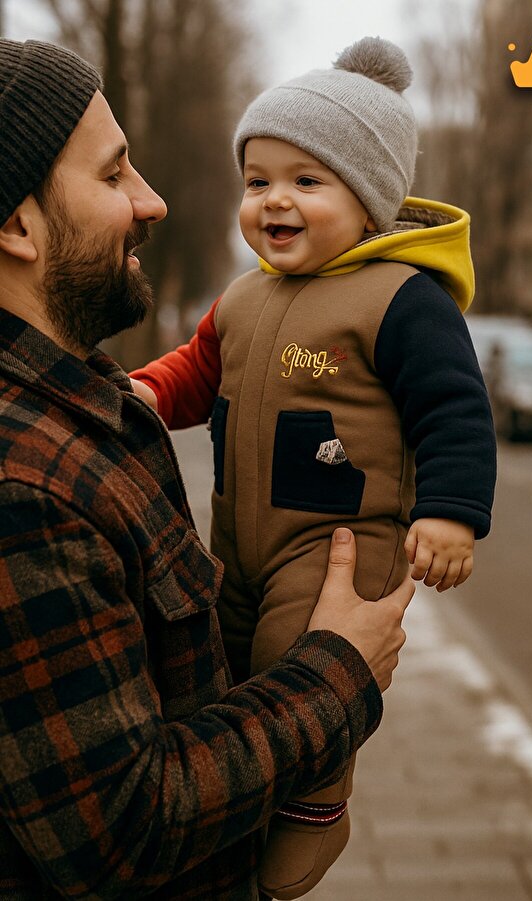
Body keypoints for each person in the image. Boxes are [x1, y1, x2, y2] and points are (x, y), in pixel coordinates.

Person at [0, 38, 415, 901]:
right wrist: (339, 670)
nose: (149, 200)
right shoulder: (24, 485)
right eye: (113, 176)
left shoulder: (81, 406)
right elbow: (125, 830)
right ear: (16, 225)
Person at [131, 37, 497, 899]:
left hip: (337, 548)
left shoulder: (401, 298)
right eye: (258, 181)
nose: (274, 201)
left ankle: (315, 812)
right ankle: (233, 821)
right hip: (240, 545)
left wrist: (448, 511)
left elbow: (454, 406)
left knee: (300, 661)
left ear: (367, 197)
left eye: (306, 180)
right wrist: (145, 392)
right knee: (219, 671)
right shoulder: (246, 294)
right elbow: (197, 367)